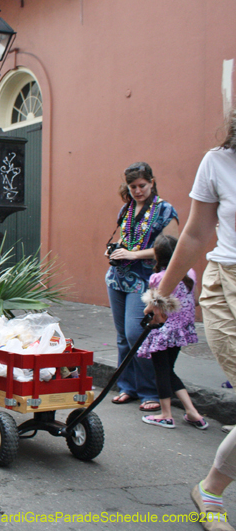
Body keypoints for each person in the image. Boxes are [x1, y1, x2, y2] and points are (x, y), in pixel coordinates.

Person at [144, 109, 236, 531]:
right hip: (228, 286)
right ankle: (213, 491)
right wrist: (161, 297)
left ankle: (211, 488)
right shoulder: (218, 161)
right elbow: (196, 233)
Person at [106, 162, 179, 413]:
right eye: (133, 186)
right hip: (117, 278)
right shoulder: (126, 209)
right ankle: (128, 387)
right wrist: (115, 249)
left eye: (142, 186)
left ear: (152, 182)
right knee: (122, 338)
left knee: (136, 334)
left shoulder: (165, 210)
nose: (137, 191)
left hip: (145, 280)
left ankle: (151, 391)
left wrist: (134, 255)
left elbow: (171, 247)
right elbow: (126, 240)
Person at [137, 234, 206, 429]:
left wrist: (147, 311)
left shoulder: (158, 278)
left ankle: (166, 414)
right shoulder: (190, 273)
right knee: (169, 370)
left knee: (161, 371)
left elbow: (152, 306)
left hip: (163, 331)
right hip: (181, 330)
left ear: (157, 257)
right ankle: (192, 412)